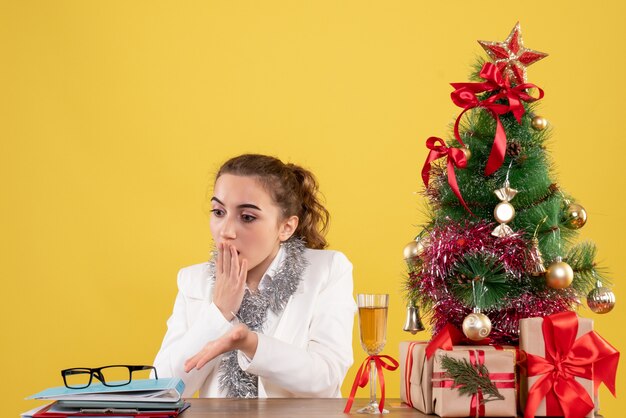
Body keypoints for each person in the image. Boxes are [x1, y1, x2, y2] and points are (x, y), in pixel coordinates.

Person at [153, 154, 356, 398]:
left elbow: (326, 379)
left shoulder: (328, 270)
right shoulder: (192, 281)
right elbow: (163, 389)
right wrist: (218, 311)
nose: (226, 231)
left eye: (247, 217)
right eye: (218, 212)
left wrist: (251, 344)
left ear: (286, 227)